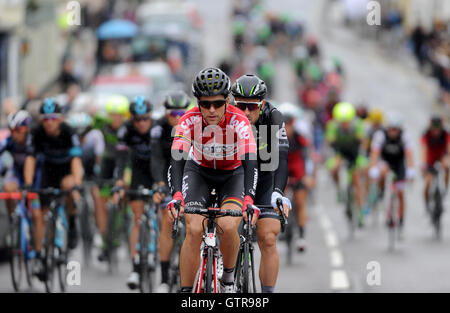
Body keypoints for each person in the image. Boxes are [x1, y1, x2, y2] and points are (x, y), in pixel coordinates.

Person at [167, 68, 258, 293]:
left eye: (217, 103)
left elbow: (250, 161)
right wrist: (177, 195)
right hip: (199, 172)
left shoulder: (239, 121)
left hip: (232, 174)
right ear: (197, 102)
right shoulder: (188, 120)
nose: (211, 110)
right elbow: (177, 158)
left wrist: (249, 198)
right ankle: (187, 292)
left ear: (227, 100)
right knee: (194, 229)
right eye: (205, 104)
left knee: (228, 226)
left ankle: (228, 278)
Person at [230, 74, 290, 293]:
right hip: (234, 178)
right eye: (241, 106)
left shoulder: (274, 117)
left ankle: (266, 295)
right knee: (226, 229)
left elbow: (282, 159)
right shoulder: (225, 117)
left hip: (265, 179)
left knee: (268, 237)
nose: (245, 112)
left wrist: (277, 192)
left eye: (251, 107)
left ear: (262, 104)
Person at [24, 98, 83, 281]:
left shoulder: (68, 131)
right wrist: (27, 184)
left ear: (61, 118)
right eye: (46, 119)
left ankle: (72, 222)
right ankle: (42, 257)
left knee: (68, 186)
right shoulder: (36, 132)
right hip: (48, 171)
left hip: (66, 170)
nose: (49, 123)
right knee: (42, 214)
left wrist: (77, 184)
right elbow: (30, 159)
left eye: (53, 118)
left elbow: (76, 160)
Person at [111, 96, 159, 289]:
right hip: (139, 171)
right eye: (137, 119)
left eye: (145, 118)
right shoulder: (126, 130)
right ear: (131, 119)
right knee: (137, 216)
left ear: (150, 117)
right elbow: (121, 160)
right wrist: (119, 183)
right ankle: (135, 266)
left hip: (158, 170)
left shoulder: (158, 128)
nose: (141, 123)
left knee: (165, 212)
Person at [150, 90, 191, 293]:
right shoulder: (158, 128)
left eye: (181, 113)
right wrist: (159, 183)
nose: (177, 117)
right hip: (167, 172)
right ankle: (165, 278)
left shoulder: (193, 125)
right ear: (165, 113)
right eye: (173, 113)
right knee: (167, 220)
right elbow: (157, 158)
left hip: (189, 173)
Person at [94, 95, 129, 262]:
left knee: (123, 191)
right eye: (113, 115)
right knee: (100, 198)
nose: (116, 119)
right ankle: (104, 239)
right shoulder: (102, 123)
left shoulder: (128, 127)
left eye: (120, 115)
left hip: (125, 162)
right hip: (108, 162)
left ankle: (121, 219)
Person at [369, 112, 415, 237]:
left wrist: (411, 169)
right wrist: (373, 167)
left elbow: (409, 154)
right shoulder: (380, 135)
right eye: (391, 129)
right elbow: (375, 152)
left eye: (395, 129)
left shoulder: (404, 136)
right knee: (382, 171)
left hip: (399, 164)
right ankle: (381, 191)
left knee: (400, 192)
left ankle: (401, 220)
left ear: (399, 129)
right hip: (385, 161)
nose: (393, 132)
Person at [277, 102, 313, 252]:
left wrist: (308, 176)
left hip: (298, 171)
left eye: (289, 123)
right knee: (278, 198)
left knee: (300, 201)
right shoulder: (274, 139)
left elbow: (307, 158)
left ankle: (301, 236)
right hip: (282, 171)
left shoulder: (300, 139)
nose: (287, 126)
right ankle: (281, 226)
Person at [325, 102, 368, 225]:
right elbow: (329, 142)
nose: (344, 124)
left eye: (347, 121)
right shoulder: (332, 126)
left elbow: (363, 142)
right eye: (342, 122)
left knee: (356, 181)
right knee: (333, 168)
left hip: (354, 154)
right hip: (340, 153)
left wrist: (362, 154)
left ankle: (360, 214)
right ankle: (339, 188)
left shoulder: (357, 125)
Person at [0, 111, 40, 214]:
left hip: (36, 177)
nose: (14, 134)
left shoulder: (35, 141)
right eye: (11, 130)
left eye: (18, 130)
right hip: (17, 173)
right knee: (7, 188)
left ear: (27, 129)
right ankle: (12, 217)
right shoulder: (9, 141)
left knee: (36, 214)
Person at [420, 116, 450, 212]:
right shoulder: (426, 134)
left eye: (438, 129)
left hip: (442, 157)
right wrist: (423, 163)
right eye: (434, 129)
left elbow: (449, 148)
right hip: (430, 160)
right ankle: (427, 203)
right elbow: (423, 149)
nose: (436, 132)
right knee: (428, 183)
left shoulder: (446, 134)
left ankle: (445, 188)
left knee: (447, 165)